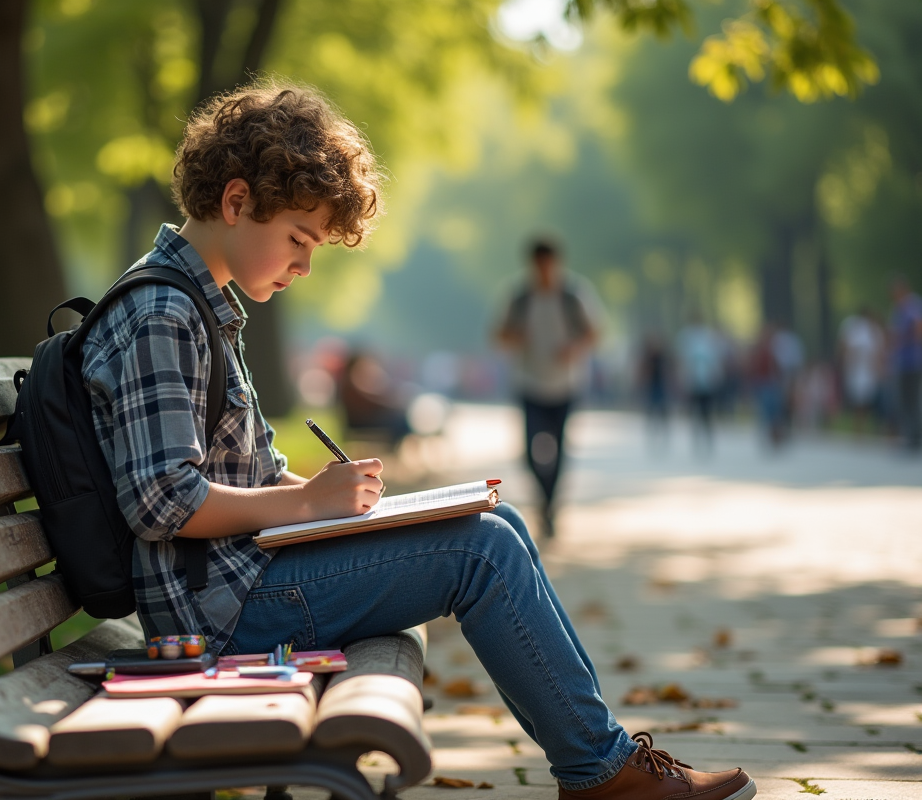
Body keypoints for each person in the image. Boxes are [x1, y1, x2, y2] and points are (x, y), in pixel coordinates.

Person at [81, 82, 755, 800]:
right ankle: (600, 772)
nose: (304, 265)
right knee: (482, 551)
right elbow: (163, 501)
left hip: (240, 582)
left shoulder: (199, 306)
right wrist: (307, 503)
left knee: (497, 523)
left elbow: (248, 477)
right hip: (221, 612)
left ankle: (602, 760)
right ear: (237, 201)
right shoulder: (163, 313)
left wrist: (361, 509)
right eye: (299, 240)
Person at [494, 238, 602, 537]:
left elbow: (593, 332)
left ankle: (550, 506)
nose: (544, 271)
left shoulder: (573, 295)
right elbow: (499, 334)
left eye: (548, 265)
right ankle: (545, 499)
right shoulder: (520, 297)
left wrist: (574, 348)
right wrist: (516, 336)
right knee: (530, 452)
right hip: (529, 383)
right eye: (539, 265)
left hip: (566, 385)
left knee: (559, 449)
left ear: (556, 263)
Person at [675, 318, 725, 454]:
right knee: (696, 413)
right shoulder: (687, 337)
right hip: (694, 383)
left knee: (706, 413)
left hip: (705, 383)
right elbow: (683, 361)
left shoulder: (707, 338)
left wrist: (716, 376)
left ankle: (707, 438)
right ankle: (698, 439)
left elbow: (714, 361)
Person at [837, 308, 884, 433]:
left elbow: (878, 351)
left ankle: (862, 425)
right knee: (857, 399)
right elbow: (845, 346)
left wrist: (878, 367)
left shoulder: (873, 330)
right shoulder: (852, 327)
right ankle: (858, 425)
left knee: (866, 399)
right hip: (855, 369)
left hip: (867, 370)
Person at [888, 276, 922, 451]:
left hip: (912, 362)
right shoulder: (899, 308)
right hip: (902, 362)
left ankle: (914, 438)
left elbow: (918, 326)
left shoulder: (911, 305)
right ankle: (911, 437)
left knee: (911, 400)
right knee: (905, 401)